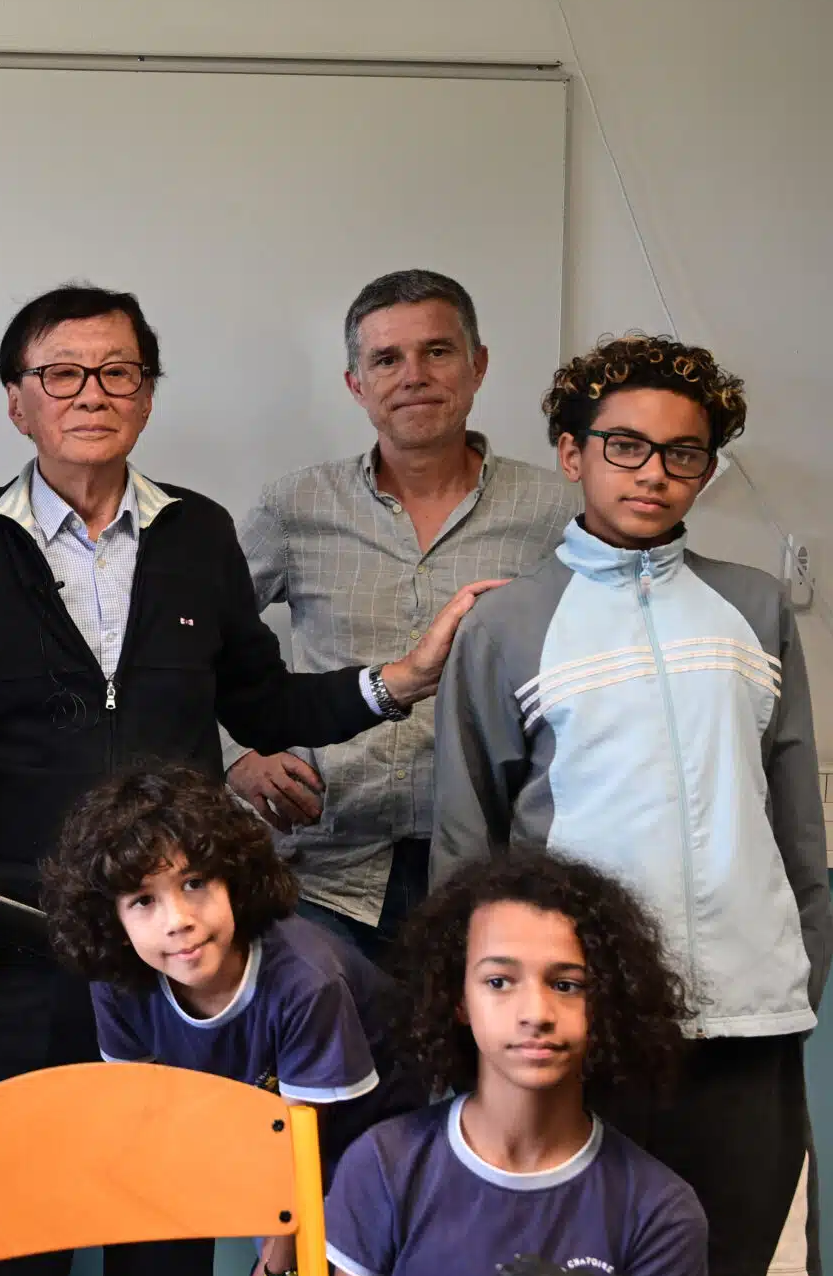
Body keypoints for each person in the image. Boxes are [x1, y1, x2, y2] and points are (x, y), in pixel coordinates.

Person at [0, 282, 501, 1276]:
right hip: (15, 949)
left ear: (145, 392)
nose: (91, 393)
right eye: (60, 374)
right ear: (16, 400)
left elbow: (260, 705)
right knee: (5, 1238)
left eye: (117, 371)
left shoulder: (196, 534)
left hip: (168, 962)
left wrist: (396, 683)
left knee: (163, 1235)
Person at [432, 335, 831, 1276]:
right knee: (580, 1269)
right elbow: (467, 839)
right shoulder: (507, 623)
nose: (654, 473)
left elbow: (797, 829)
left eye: (682, 452)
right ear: (573, 454)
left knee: (736, 1264)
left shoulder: (756, 608)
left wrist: (795, 972)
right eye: (625, 446)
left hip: (749, 1019)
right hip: (583, 1017)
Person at [222, 270, 574, 959]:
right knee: (325, 1064)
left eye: (437, 352)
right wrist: (239, 757)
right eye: (387, 358)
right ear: (357, 384)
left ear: (478, 367)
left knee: (465, 1066)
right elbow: (188, 644)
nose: (413, 375)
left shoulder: (555, 513)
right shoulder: (295, 507)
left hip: (491, 868)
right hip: (321, 870)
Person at [43, 764, 421, 1276]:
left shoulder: (307, 983)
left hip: (380, 1146)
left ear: (235, 880)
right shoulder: (116, 981)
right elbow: (149, 1113)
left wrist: (275, 1268)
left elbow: (301, 1154)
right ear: (112, 919)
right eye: (143, 901)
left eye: (194, 882)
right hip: (268, 1140)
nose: (177, 920)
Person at [325, 852, 708, 1276]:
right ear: (457, 998)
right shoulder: (382, 1166)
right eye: (499, 982)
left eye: (567, 985)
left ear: (607, 1002)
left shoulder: (660, 1211)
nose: (535, 1013)